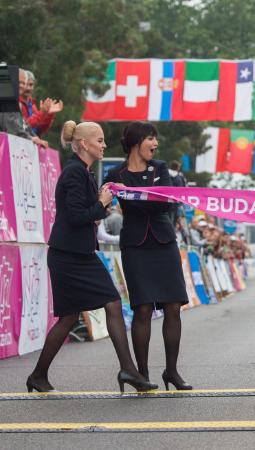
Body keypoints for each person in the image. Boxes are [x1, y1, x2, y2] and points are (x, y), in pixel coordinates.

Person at [27, 120, 155, 393]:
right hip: (71, 255)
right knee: (111, 301)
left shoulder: (82, 171)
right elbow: (75, 217)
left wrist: (99, 206)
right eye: (99, 140)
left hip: (73, 252)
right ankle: (128, 369)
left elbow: (86, 214)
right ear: (83, 144)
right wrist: (101, 204)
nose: (104, 145)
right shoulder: (74, 172)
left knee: (70, 317)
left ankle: (38, 375)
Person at [103, 121, 191, 391]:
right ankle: (141, 374)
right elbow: (119, 201)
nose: (155, 144)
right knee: (142, 309)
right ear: (135, 141)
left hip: (164, 242)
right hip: (135, 245)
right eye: (150, 139)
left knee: (173, 306)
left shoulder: (161, 168)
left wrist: (137, 197)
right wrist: (145, 197)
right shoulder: (114, 172)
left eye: (156, 140)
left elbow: (165, 200)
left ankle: (172, 371)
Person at [19, 69, 62, 137]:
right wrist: (42, 112)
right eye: (26, 84)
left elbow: (39, 130)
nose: (28, 88)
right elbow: (23, 126)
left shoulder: (32, 105)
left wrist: (49, 115)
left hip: (32, 142)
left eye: (31, 85)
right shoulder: (17, 104)